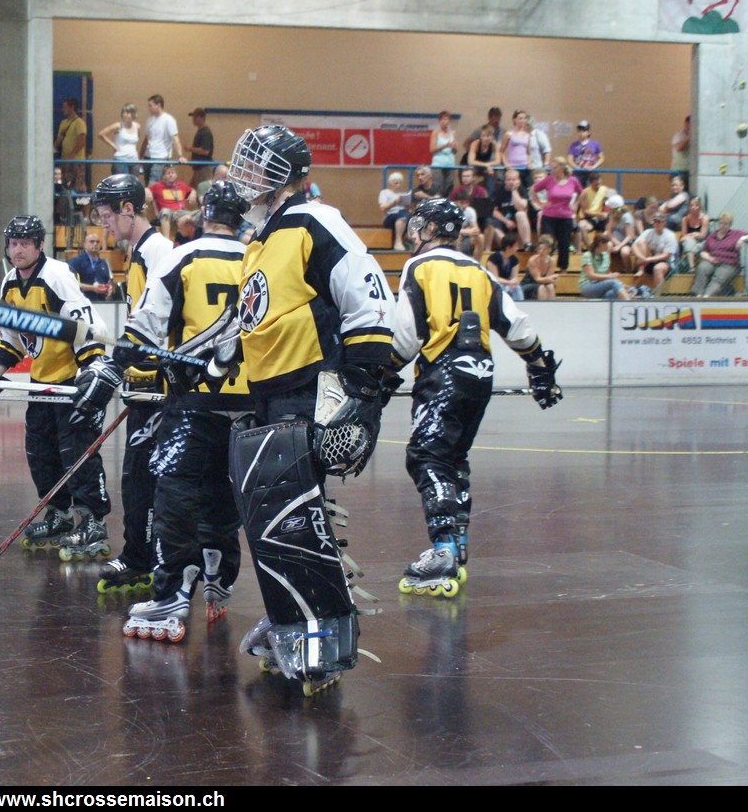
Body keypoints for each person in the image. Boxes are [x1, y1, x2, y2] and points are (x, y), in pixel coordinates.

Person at [226, 124, 396, 692]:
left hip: (308, 389)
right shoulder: (259, 239)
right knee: (270, 517)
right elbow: (259, 319)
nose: (244, 173)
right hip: (269, 394)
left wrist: (364, 392)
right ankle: (292, 619)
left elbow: (369, 298)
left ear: (283, 175)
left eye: (256, 164)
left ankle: (320, 636)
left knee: (293, 517)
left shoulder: (314, 220)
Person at [391, 197, 562, 598]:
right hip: (480, 373)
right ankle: (458, 544)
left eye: (419, 226)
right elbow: (517, 327)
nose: (414, 233)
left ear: (430, 229)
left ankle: (443, 550)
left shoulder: (419, 266)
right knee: (455, 457)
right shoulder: (479, 270)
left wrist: (378, 375)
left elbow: (407, 335)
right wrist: (540, 369)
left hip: (442, 373)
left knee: (427, 457)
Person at [114, 181, 253, 640]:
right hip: (250, 403)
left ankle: (173, 589)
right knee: (222, 488)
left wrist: (121, 357)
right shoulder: (257, 257)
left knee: (175, 488)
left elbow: (146, 328)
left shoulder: (183, 256)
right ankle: (218, 570)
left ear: (202, 214)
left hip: (195, 400)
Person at [0, 215, 117, 556]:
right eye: (13, 244)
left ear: (40, 245)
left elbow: (84, 326)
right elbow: (12, 339)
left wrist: (93, 373)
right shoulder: (9, 284)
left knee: (78, 455)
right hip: (41, 384)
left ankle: (93, 521)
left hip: (72, 384)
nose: (18, 250)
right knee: (40, 454)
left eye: (25, 244)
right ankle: (59, 514)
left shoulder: (56, 275)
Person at [91, 173, 177, 592]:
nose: (103, 224)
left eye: (107, 215)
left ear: (129, 209)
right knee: (137, 477)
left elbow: (157, 321)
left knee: (145, 478)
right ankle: (140, 555)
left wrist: (118, 365)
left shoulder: (158, 251)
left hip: (162, 388)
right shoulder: (138, 252)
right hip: (145, 384)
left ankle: (146, 560)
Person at [532, 157, 582, 271]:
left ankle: (563, 268)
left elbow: (581, 193)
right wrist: (540, 203)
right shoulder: (549, 179)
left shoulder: (573, 180)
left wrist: (575, 205)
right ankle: (544, 267)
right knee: (546, 242)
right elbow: (534, 189)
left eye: (555, 168)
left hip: (565, 216)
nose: (553, 170)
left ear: (562, 168)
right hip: (549, 216)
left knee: (564, 243)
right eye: (552, 168)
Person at [692, 212, 744, 298]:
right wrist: (709, 258)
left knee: (719, 276)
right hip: (713, 261)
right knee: (702, 268)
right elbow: (703, 251)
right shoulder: (712, 236)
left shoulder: (736, 234)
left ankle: (707, 296)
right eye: (721, 223)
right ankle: (698, 294)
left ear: (730, 225)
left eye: (725, 224)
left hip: (729, 263)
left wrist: (742, 239)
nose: (722, 226)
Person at [632, 210, 678, 297]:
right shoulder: (648, 232)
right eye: (655, 221)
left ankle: (658, 296)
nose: (656, 223)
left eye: (659, 221)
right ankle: (641, 270)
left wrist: (647, 259)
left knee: (658, 268)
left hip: (665, 262)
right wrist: (641, 257)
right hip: (647, 261)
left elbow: (666, 255)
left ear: (664, 223)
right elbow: (634, 245)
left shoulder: (670, 235)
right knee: (641, 242)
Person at [487, 168, 532, 256]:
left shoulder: (522, 190)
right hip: (503, 221)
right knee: (492, 224)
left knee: (521, 214)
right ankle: (508, 247)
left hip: (518, 222)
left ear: (518, 180)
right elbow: (493, 211)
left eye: (514, 180)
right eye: (509, 180)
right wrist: (506, 221)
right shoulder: (498, 191)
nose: (511, 182)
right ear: (505, 181)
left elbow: (521, 207)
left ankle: (527, 244)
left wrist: (514, 191)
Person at [145, 164, 197, 239]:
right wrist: (147, 191)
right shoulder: (158, 186)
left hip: (182, 212)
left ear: (176, 175)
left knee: (200, 213)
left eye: (172, 173)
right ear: (164, 176)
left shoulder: (182, 185)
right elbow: (146, 189)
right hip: (169, 213)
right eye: (168, 173)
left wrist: (193, 193)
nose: (171, 175)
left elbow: (192, 190)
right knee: (165, 211)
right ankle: (166, 239)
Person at [142, 94, 183, 184]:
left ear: (158, 105)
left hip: (160, 157)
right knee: (147, 183)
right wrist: (140, 156)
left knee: (153, 183)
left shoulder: (169, 120)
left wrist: (180, 155)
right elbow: (146, 139)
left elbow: (175, 138)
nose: (149, 108)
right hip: (148, 156)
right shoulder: (149, 120)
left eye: (150, 105)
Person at [579, 233, 631, 300]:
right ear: (601, 244)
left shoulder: (606, 255)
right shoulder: (588, 255)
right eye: (607, 244)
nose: (609, 246)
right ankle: (628, 303)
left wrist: (621, 284)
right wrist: (610, 276)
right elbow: (591, 276)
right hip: (588, 285)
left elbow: (608, 272)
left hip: (601, 284)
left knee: (613, 293)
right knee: (613, 283)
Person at [55, 97, 88, 197]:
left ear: (72, 107)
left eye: (65, 107)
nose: (63, 110)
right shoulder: (63, 123)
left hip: (76, 160)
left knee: (79, 186)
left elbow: (82, 141)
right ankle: (63, 205)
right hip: (65, 160)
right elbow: (59, 140)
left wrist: (72, 155)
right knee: (64, 185)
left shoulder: (79, 123)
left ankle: (83, 206)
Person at [99, 102, 142, 178]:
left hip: (134, 160)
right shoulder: (118, 126)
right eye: (123, 112)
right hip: (120, 159)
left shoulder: (137, 126)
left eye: (127, 112)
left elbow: (136, 139)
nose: (125, 114)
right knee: (120, 182)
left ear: (133, 114)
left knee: (133, 182)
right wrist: (114, 145)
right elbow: (101, 134)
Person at [67, 230, 113, 301]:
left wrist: (109, 288)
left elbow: (108, 282)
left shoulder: (103, 263)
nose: (95, 244)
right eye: (92, 241)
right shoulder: (77, 261)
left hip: (102, 302)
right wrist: (92, 288)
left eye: (97, 242)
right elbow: (71, 283)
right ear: (85, 244)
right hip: (83, 302)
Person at [378, 171, 413, 250]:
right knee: (402, 215)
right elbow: (382, 208)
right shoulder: (384, 193)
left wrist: (408, 206)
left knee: (408, 214)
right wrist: (394, 202)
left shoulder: (402, 194)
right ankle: (398, 241)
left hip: (404, 213)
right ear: (390, 183)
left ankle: (408, 236)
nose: (398, 185)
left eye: (400, 183)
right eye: (396, 183)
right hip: (390, 216)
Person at [498, 110, 533, 187]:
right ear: (515, 119)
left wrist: (529, 162)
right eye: (520, 118)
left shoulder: (527, 135)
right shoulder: (508, 134)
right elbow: (501, 151)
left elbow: (529, 152)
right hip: (512, 167)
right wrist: (506, 163)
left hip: (524, 167)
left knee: (527, 187)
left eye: (524, 118)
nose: (522, 121)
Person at [519, 235, 560, 301]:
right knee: (542, 287)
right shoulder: (533, 260)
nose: (541, 251)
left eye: (544, 249)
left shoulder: (552, 261)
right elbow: (537, 279)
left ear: (549, 250)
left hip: (542, 283)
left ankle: (551, 306)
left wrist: (551, 279)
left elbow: (548, 279)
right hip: (529, 283)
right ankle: (541, 306)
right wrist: (550, 278)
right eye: (540, 249)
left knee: (550, 286)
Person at [428, 110, 458, 195]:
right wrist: (445, 145)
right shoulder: (436, 133)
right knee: (438, 185)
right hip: (438, 164)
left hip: (450, 163)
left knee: (449, 185)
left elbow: (455, 151)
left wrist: (454, 147)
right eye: (442, 119)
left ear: (449, 121)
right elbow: (432, 149)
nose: (444, 121)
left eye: (446, 119)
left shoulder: (453, 133)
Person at [678, 196, 710, 273]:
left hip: (702, 242)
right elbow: (684, 236)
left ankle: (695, 267)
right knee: (689, 242)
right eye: (691, 205)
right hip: (690, 242)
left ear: (699, 206)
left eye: (696, 205)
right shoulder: (685, 219)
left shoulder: (705, 218)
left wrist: (690, 235)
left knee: (691, 243)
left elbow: (702, 235)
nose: (693, 207)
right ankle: (692, 267)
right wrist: (695, 234)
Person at [465, 125, 501, 196]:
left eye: (488, 136)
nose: (485, 139)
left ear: (492, 137)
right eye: (483, 136)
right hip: (472, 166)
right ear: (480, 137)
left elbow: (498, 161)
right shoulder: (475, 144)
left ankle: (489, 197)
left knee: (491, 176)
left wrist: (487, 166)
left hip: (484, 167)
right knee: (471, 182)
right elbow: (471, 161)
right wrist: (486, 165)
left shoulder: (494, 144)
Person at [487, 234, 525, 300]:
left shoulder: (515, 260)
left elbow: (514, 277)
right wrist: (509, 283)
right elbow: (495, 278)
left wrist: (513, 282)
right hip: (494, 284)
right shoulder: (493, 258)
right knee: (501, 287)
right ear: (508, 247)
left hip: (507, 284)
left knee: (517, 287)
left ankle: (520, 304)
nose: (517, 248)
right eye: (515, 246)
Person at [567, 120, 604, 187]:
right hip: (578, 174)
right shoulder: (574, 145)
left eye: (583, 131)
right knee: (578, 191)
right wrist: (576, 167)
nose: (581, 133)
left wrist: (593, 167)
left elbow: (601, 158)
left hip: (590, 174)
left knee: (589, 190)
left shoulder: (595, 144)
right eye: (579, 131)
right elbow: (570, 159)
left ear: (588, 132)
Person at [187, 108, 215, 186]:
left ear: (201, 118)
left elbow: (205, 151)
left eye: (195, 117)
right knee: (193, 188)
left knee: (203, 188)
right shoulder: (201, 131)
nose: (193, 120)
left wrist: (190, 148)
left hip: (204, 168)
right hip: (199, 168)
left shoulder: (206, 133)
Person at [672, 115, 691, 187]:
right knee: (678, 189)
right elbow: (678, 147)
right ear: (685, 124)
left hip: (690, 170)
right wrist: (689, 137)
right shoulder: (678, 136)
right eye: (688, 124)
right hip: (679, 170)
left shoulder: (697, 137)